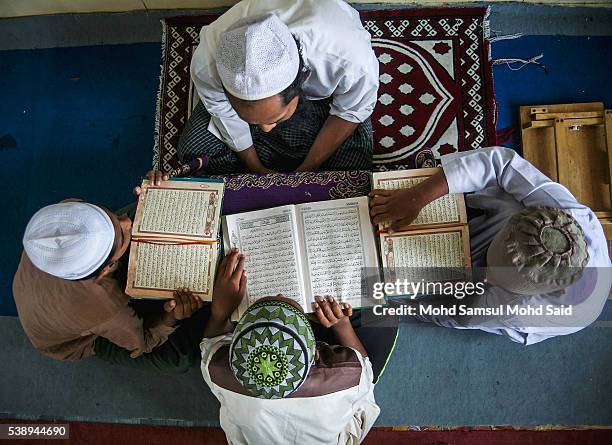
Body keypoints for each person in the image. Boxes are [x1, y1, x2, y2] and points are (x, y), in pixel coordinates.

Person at [369, 146, 611, 345]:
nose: (488, 267)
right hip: (513, 239)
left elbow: (462, 316)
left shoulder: (520, 309)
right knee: (510, 203)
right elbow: (502, 163)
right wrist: (416, 197)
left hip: (492, 304)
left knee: (445, 297)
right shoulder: (562, 216)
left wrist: (400, 301)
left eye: (494, 273)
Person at [201, 249, 381, 444]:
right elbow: (364, 368)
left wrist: (220, 312)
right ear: (318, 353)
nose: (279, 293)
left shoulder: (219, 369)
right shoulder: (345, 373)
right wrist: (341, 324)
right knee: (382, 315)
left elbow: (212, 342)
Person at [179, 0, 379, 174]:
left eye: (276, 119)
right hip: (271, 105)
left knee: (354, 159)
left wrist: (306, 170)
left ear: (305, 78)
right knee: (193, 149)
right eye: (254, 121)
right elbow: (221, 109)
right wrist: (256, 167)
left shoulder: (348, 58)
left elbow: (352, 109)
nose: (265, 130)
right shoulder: (209, 63)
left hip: (321, 102)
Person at [13, 199, 207, 373]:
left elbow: (122, 224)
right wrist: (171, 316)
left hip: (42, 300)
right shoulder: (101, 304)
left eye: (111, 215)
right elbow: (144, 341)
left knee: (141, 213)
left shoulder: (64, 215)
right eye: (122, 236)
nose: (126, 222)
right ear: (106, 270)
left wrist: (153, 194)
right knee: (179, 358)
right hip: (71, 339)